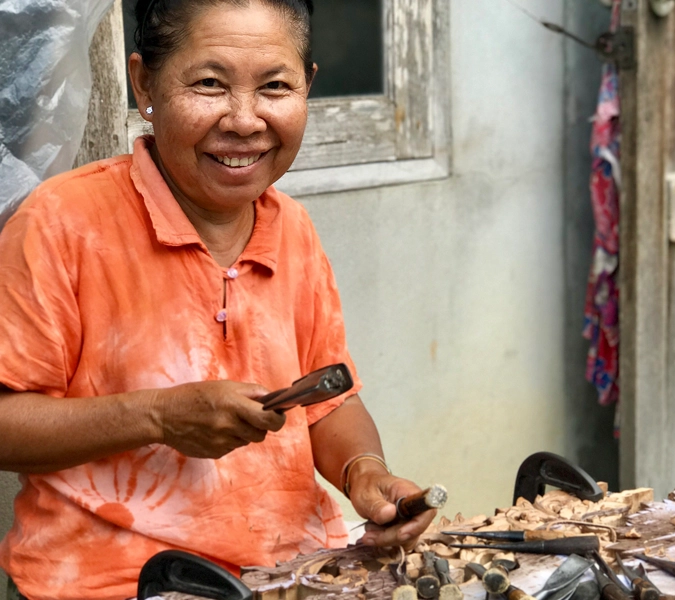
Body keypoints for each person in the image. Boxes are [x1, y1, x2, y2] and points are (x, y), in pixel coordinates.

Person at [0, 0, 436, 598]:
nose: (244, 120)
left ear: (306, 86)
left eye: (275, 87)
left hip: (291, 576)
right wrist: (157, 415)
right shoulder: (63, 223)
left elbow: (329, 400)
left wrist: (364, 473)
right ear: (144, 83)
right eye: (209, 84)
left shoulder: (294, 230)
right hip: (111, 583)